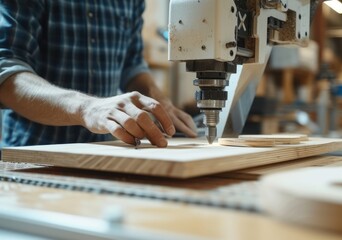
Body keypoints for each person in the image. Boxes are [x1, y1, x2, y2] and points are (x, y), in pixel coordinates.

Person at [0, 0, 197, 148]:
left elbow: (131, 63)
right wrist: (87, 108)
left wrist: (160, 106)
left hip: (106, 150)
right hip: (35, 153)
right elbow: (7, 71)